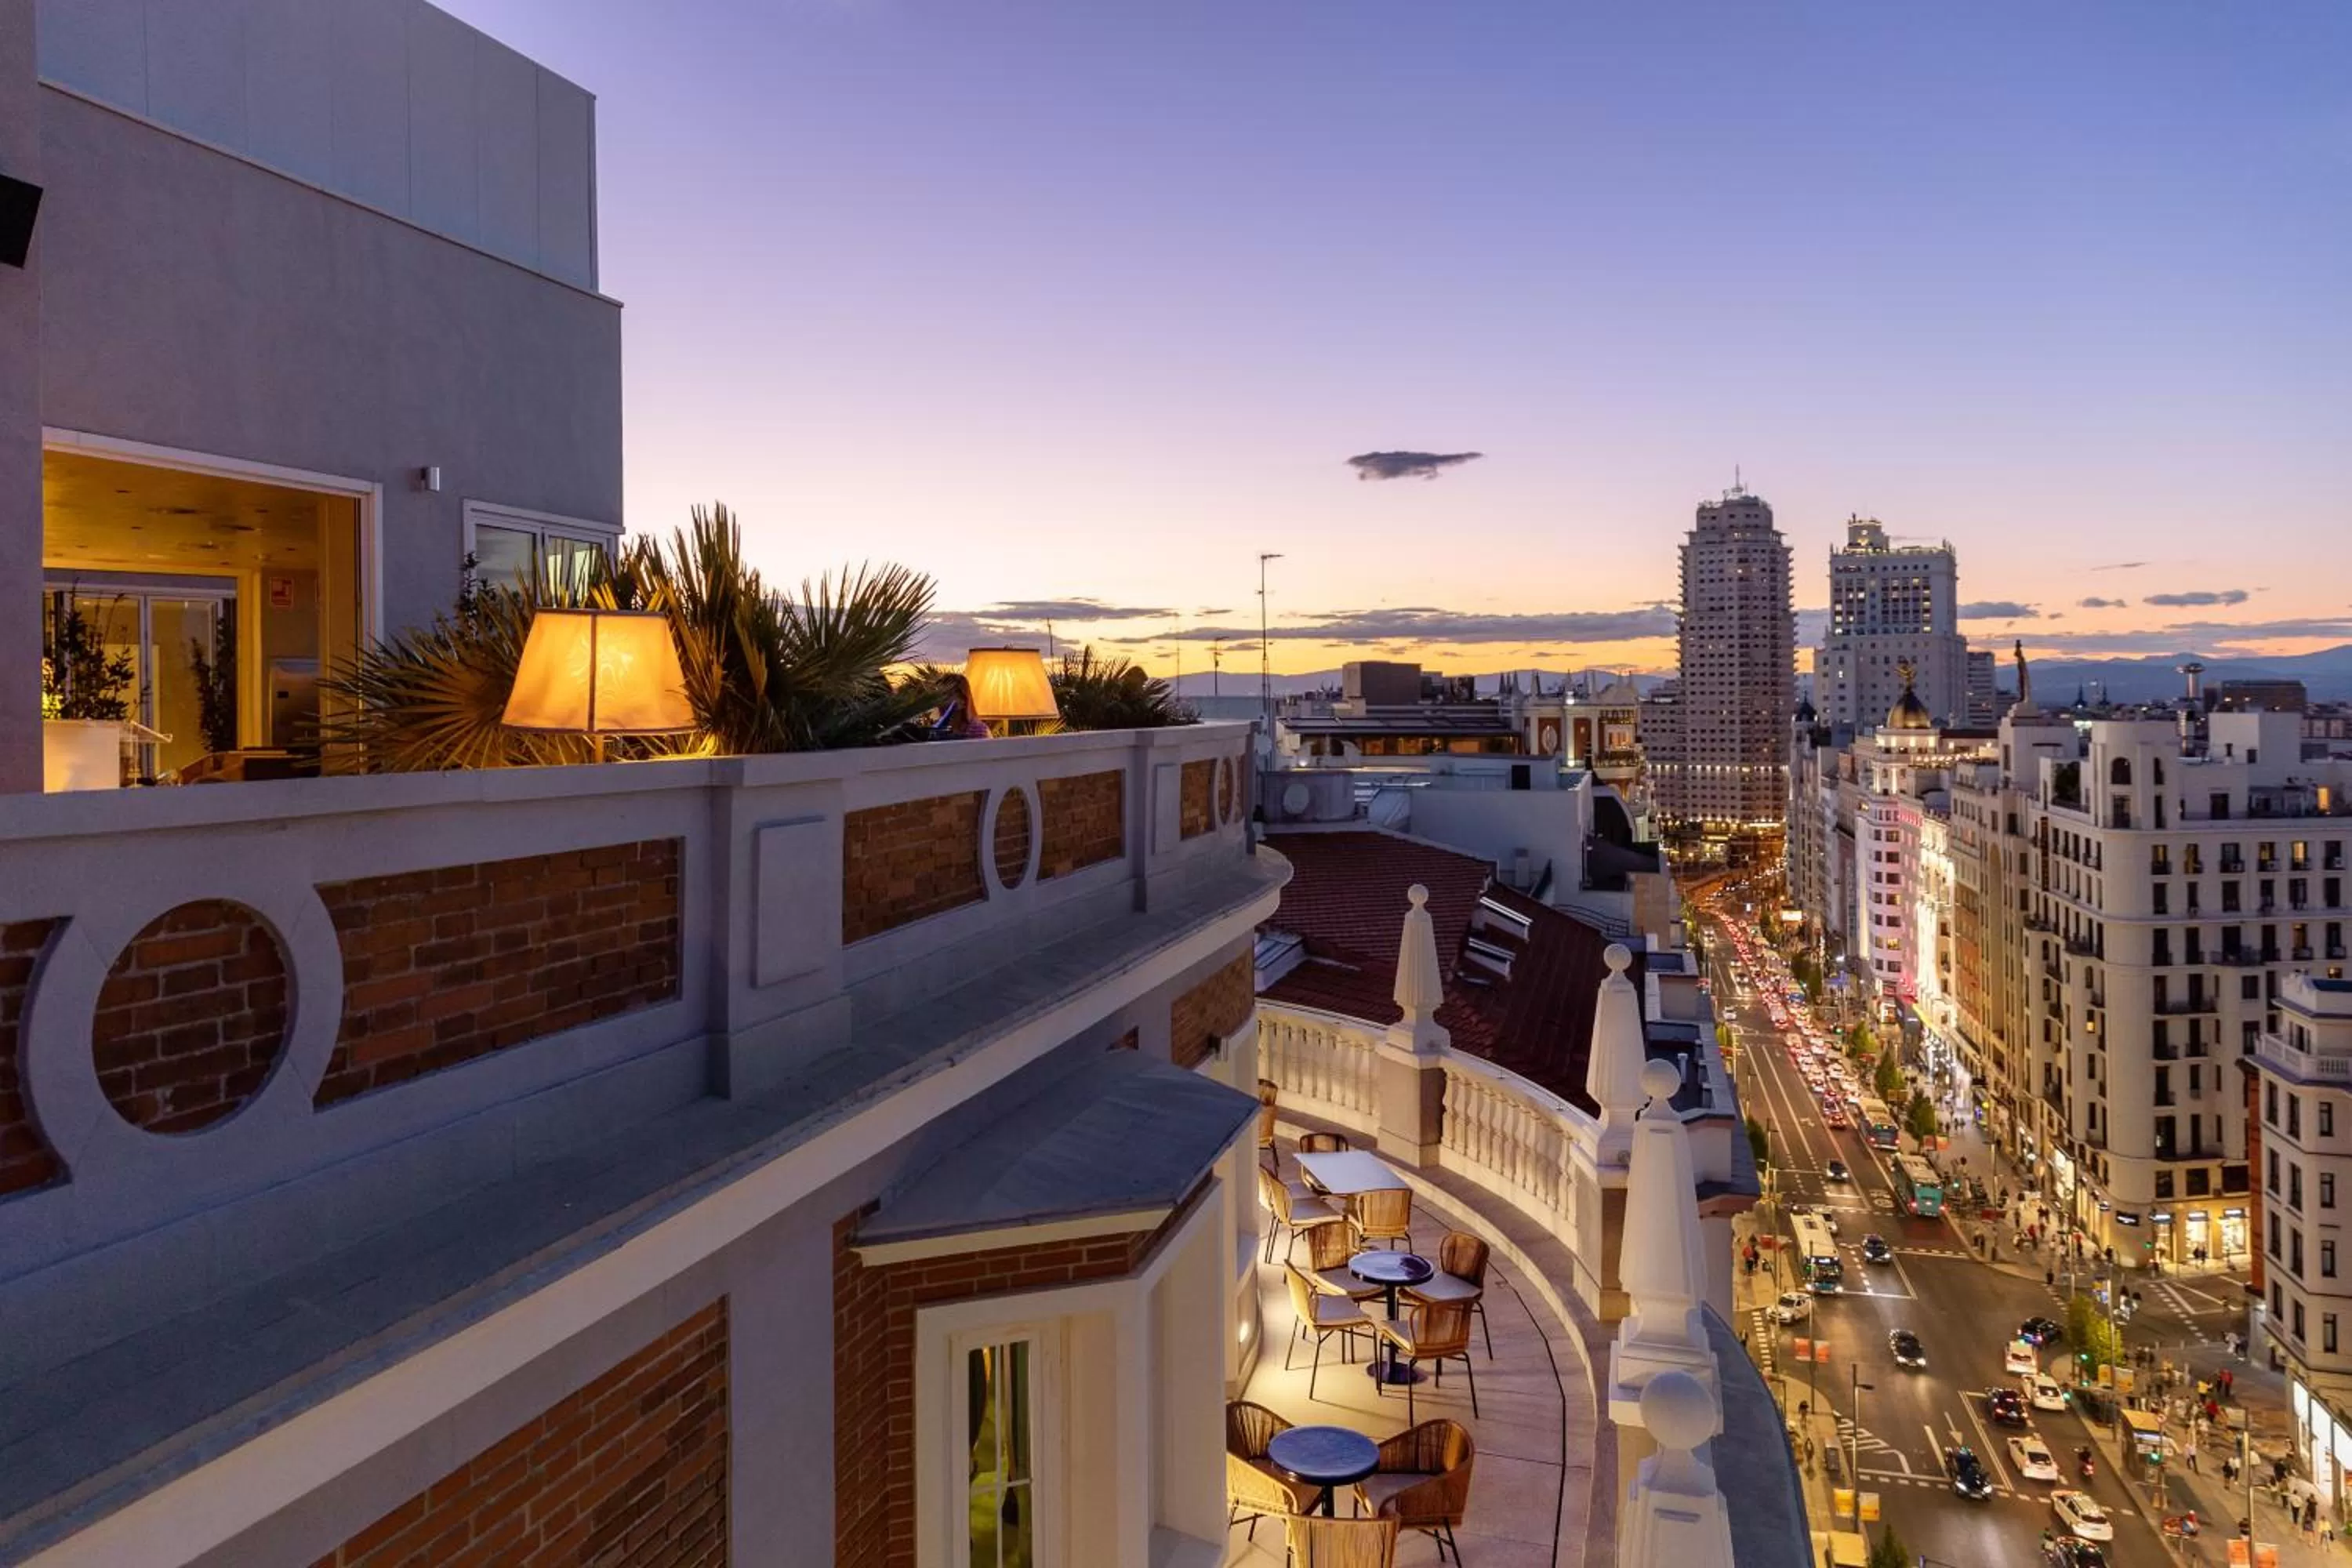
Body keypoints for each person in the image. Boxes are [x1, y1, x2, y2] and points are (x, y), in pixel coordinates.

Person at [929, 673, 993, 740]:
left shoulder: (979, 731)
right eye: (939, 695)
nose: (941, 701)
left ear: (963, 699)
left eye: (948, 695)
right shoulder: (935, 731)